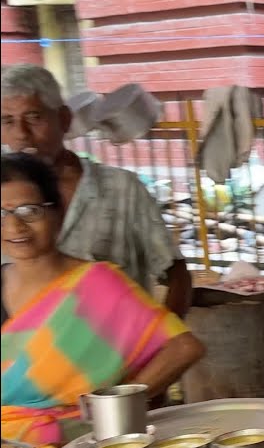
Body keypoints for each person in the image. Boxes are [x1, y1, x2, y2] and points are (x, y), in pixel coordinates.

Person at [1, 153, 205, 446]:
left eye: (29, 211)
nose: (14, 227)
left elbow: (184, 348)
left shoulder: (96, 285)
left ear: (58, 213)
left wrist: (113, 406)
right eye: (2, 213)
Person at [1, 64, 191, 316]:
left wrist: (162, 341)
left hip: (119, 351)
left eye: (34, 117)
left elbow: (176, 274)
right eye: (7, 121)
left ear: (64, 119)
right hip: (33, 354)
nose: (21, 134)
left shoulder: (121, 190)